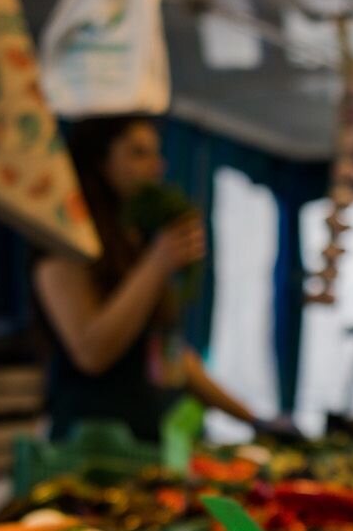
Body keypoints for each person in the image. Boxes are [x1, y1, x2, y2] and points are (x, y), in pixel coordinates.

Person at [34, 116, 268, 442]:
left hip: (152, 444)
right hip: (92, 447)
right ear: (99, 160)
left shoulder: (140, 241)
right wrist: (157, 264)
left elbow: (170, 356)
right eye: (138, 153)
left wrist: (255, 420)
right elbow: (91, 353)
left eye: (154, 154)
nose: (156, 167)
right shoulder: (66, 246)